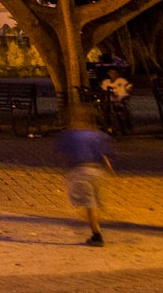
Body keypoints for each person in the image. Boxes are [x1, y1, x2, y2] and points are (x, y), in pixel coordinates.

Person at [56, 105, 114, 246]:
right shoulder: (98, 135)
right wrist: (109, 170)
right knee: (95, 202)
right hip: (97, 172)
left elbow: (66, 155)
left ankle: (97, 235)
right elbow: (104, 155)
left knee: (89, 205)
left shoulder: (70, 135)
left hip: (81, 171)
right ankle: (95, 226)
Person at [99, 66, 134, 134]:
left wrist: (128, 92)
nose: (112, 74)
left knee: (121, 111)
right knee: (109, 111)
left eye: (114, 73)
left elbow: (129, 87)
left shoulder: (122, 81)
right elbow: (103, 91)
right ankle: (110, 127)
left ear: (117, 74)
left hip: (121, 100)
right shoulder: (106, 82)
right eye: (111, 73)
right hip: (110, 101)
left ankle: (125, 128)